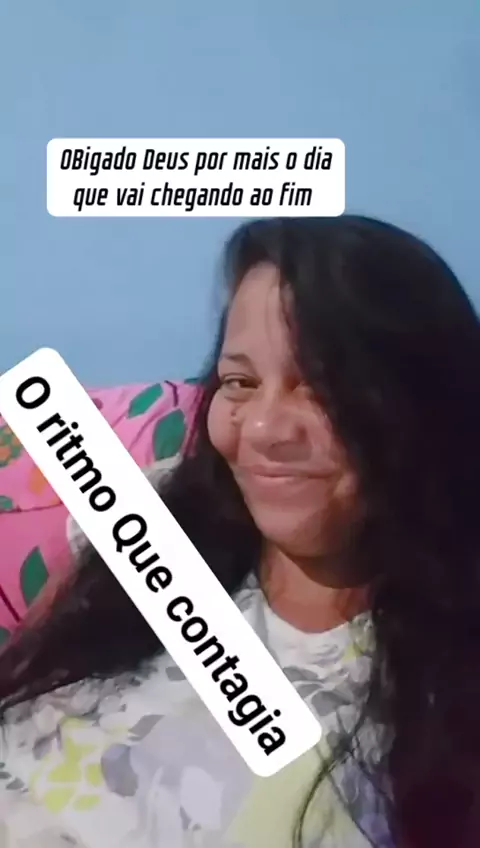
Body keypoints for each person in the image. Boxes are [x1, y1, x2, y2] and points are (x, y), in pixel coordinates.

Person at [0, 216, 479, 848]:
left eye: (323, 388)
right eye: (240, 383)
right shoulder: (154, 516)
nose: (261, 429)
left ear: (426, 402)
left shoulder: (444, 692)